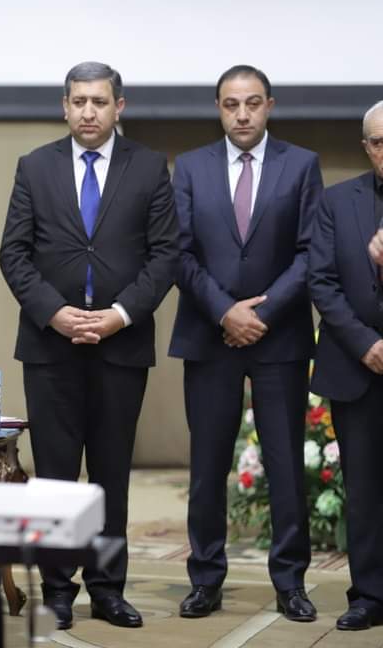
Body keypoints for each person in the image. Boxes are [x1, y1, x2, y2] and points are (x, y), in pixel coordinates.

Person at [0, 61, 178, 630]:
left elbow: (165, 255)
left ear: (118, 106)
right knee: (55, 476)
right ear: (65, 106)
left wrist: (119, 316)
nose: (88, 112)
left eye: (99, 102)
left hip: (120, 346)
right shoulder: (35, 166)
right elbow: (13, 254)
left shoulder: (148, 166)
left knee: (110, 475)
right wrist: (55, 313)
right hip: (51, 348)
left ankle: (107, 588)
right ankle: (57, 589)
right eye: (78, 101)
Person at [169, 65, 322, 622]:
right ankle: (205, 579)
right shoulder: (190, 167)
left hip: (279, 336)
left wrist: (262, 312)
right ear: (218, 108)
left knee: (286, 465)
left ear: (269, 106)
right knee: (208, 468)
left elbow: (311, 251)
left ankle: (291, 582)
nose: (242, 114)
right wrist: (224, 311)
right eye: (231, 104)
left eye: (252, 103)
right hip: (209, 335)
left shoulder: (301, 165)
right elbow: (179, 251)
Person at [307, 100, 383, 631]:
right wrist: (364, 344)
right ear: (365, 147)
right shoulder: (337, 201)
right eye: (379, 143)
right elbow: (322, 281)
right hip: (358, 366)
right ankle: (370, 594)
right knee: (365, 489)